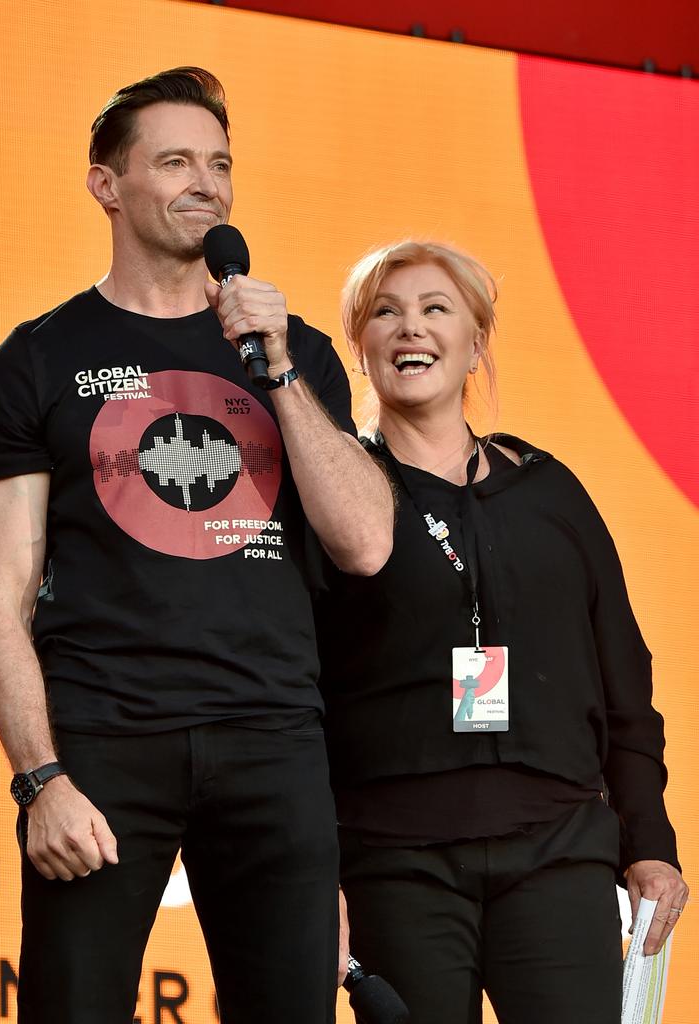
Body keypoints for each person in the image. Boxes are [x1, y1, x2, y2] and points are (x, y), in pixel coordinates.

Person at [0, 67, 393, 1024]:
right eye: (175, 161)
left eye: (221, 164)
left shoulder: (297, 350)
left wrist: (276, 366)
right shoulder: (38, 358)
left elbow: (366, 542)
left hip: (273, 738)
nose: (208, 182)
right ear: (105, 184)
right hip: (104, 740)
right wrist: (40, 778)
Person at [316, 240, 688, 1024]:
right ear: (360, 349)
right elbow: (294, 702)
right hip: (396, 864)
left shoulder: (550, 490)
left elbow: (623, 675)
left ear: (476, 342)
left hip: (559, 853)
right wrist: (316, 878)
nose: (409, 328)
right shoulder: (335, 501)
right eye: (385, 312)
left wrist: (649, 843)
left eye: (434, 309)